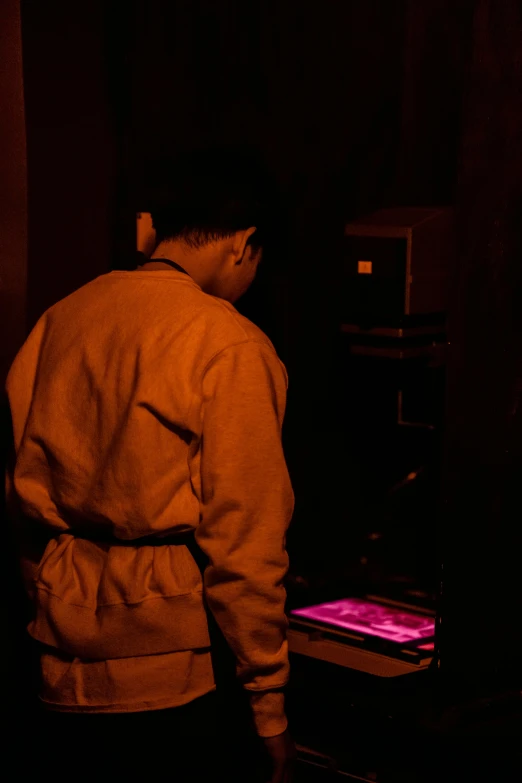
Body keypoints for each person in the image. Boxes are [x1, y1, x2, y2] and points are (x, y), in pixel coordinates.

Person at [4, 145, 296, 782]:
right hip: (176, 674)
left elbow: (21, 494)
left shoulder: (64, 315)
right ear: (244, 243)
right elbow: (245, 543)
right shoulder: (228, 341)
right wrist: (268, 704)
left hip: (56, 660)